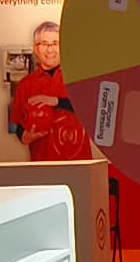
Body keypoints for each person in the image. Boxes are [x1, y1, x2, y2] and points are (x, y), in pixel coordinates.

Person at [10, 20, 85, 160]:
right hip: (42, 163)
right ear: (36, 49)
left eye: (55, 43)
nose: (50, 50)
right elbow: (18, 124)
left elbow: (90, 108)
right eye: (44, 44)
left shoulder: (79, 77)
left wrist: (56, 101)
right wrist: (25, 136)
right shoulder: (25, 84)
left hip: (79, 163)